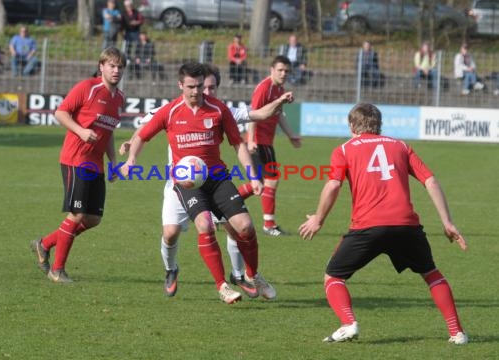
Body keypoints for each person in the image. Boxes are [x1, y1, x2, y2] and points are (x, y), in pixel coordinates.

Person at [298, 103, 468, 345]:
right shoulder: (400, 146)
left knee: (333, 277)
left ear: (351, 126)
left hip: (368, 227)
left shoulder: (344, 149)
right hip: (406, 226)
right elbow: (430, 180)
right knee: (431, 274)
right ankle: (457, 332)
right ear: (379, 124)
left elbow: (334, 185)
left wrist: (318, 218)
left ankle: (348, 323)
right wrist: (447, 222)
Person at [120, 64, 293, 298]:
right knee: (199, 226)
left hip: (218, 178)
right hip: (185, 182)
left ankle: (252, 275)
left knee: (245, 227)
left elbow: (237, 143)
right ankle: (221, 285)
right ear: (181, 85)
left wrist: (253, 176)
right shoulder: (170, 111)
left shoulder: (219, 109)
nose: (196, 91)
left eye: (200, 86)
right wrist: (131, 159)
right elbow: (142, 134)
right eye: (191, 86)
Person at [30, 47, 127, 283]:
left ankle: (44, 244)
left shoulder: (119, 98)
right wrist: (81, 131)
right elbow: (61, 113)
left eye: (120, 67)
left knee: (93, 218)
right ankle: (57, 270)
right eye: (112, 66)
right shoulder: (87, 88)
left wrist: (114, 161)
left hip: (97, 163)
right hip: (76, 158)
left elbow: (108, 132)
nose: (116, 70)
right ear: (101, 66)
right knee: (77, 214)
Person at [241, 55, 302, 237]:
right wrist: (251, 139)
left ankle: (220, 209)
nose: (283, 74)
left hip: (267, 142)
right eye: (280, 70)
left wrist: (291, 135)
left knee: (258, 184)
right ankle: (269, 225)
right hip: (258, 141)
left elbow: (279, 115)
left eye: (286, 71)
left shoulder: (279, 89)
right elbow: (253, 114)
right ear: (272, 70)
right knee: (270, 180)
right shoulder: (264, 88)